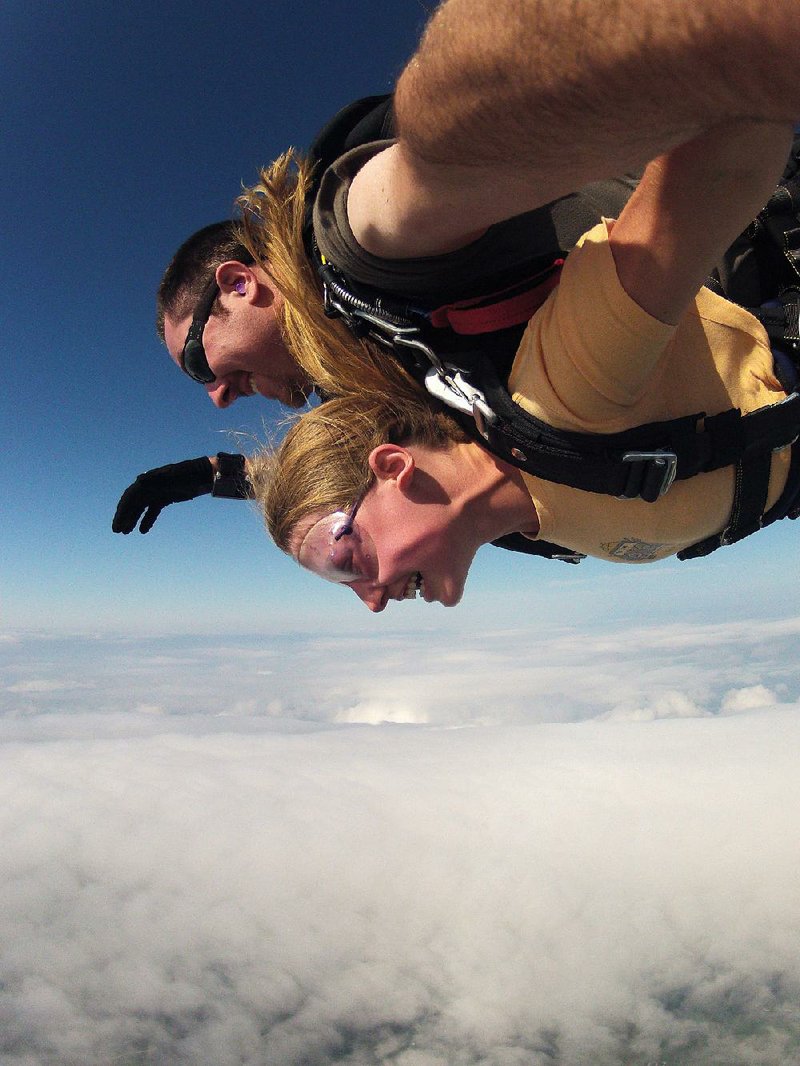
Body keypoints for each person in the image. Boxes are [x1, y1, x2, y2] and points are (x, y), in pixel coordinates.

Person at [114, 0, 800, 537]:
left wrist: (730, 26)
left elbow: (451, 134)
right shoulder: (369, 361)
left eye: (200, 365)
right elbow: (373, 466)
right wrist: (219, 476)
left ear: (239, 284)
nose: (216, 398)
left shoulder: (359, 247)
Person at [244, 117, 800, 611]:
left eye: (345, 563)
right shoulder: (522, 523)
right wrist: (220, 477)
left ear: (393, 468)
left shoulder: (570, 388)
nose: (372, 602)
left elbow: (719, 158)